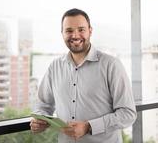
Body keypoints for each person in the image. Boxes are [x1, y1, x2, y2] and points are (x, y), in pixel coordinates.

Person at [30, 8, 137, 143]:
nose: (75, 35)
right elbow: (43, 104)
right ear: (62, 33)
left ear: (90, 31)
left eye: (81, 29)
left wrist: (89, 126)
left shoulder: (111, 65)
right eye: (69, 30)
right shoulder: (54, 67)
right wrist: (40, 119)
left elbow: (128, 114)